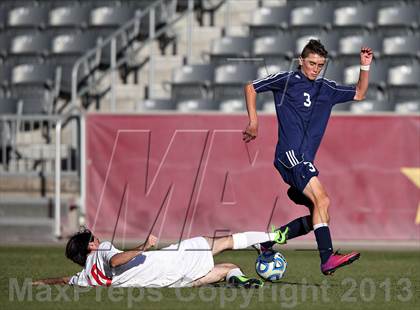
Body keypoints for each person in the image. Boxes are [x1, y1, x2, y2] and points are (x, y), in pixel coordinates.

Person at [243, 39, 373, 275]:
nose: (315, 68)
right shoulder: (287, 80)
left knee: (321, 212)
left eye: (320, 65)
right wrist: (254, 122)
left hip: (305, 161)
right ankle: (327, 259)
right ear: (301, 61)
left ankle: (268, 242)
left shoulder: (327, 89)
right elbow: (250, 87)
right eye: (311, 63)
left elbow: (360, 93)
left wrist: (364, 66)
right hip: (289, 155)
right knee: (322, 200)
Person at [32, 228, 288, 288]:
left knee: (225, 269)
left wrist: (40, 283)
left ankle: (241, 280)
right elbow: (115, 261)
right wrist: (145, 245)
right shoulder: (103, 251)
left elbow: (65, 279)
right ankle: (271, 235)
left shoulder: (86, 276)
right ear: (90, 246)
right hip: (172, 259)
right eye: (93, 238)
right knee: (226, 242)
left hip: (171, 281)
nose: (97, 239)